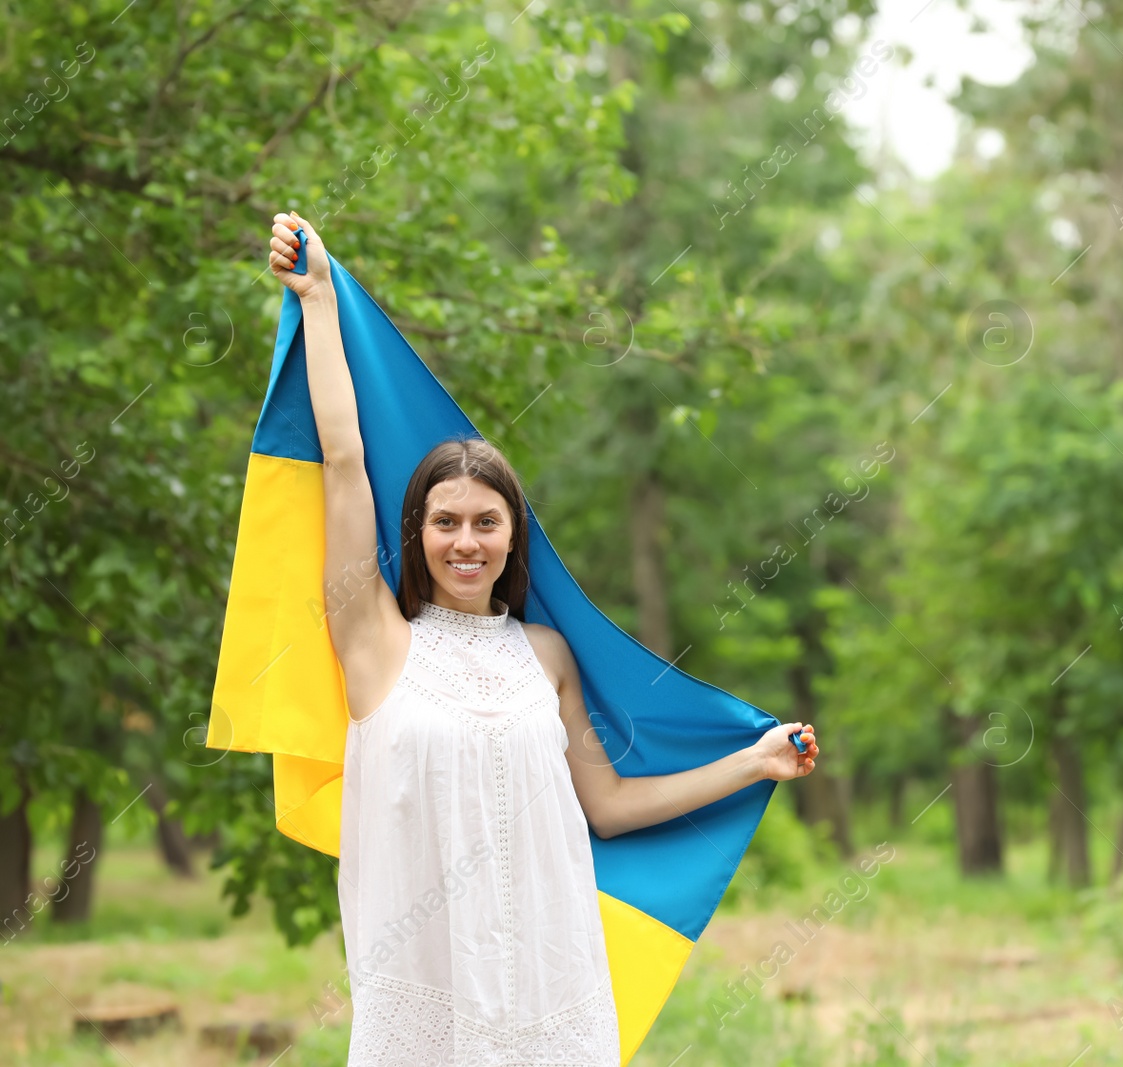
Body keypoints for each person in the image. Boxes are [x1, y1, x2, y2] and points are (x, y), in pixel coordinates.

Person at [266, 210, 820, 1066]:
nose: (464, 540)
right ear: (413, 531)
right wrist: (320, 303)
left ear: (513, 537)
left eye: (486, 521)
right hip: (422, 1004)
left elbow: (608, 807)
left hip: (550, 996)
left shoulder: (545, 657)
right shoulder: (374, 637)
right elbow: (345, 458)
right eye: (444, 520)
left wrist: (754, 761)